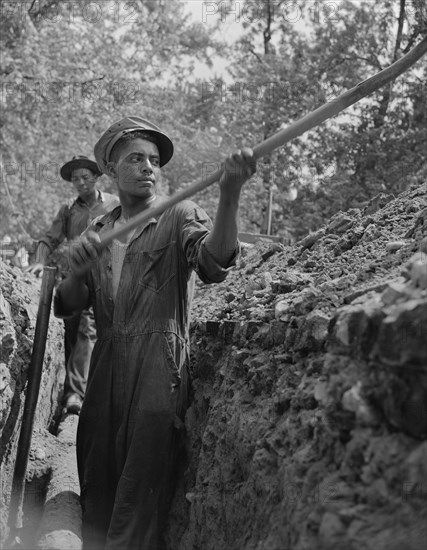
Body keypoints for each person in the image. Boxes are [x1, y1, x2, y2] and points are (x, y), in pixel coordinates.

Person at [54, 116, 257, 549]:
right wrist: (78, 268)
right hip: (106, 367)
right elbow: (68, 305)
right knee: (98, 477)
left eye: (153, 160)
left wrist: (230, 193)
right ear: (111, 169)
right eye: (136, 159)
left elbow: (214, 262)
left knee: (140, 488)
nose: (148, 166)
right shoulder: (99, 232)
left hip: (158, 368)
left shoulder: (178, 213)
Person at [28, 155, 120, 414]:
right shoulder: (68, 209)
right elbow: (49, 239)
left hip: (106, 276)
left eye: (85, 177)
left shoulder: (115, 204)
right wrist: (39, 260)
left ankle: (80, 394)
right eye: (75, 179)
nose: (80, 182)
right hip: (75, 279)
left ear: (96, 177)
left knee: (91, 331)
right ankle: (73, 393)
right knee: (73, 333)